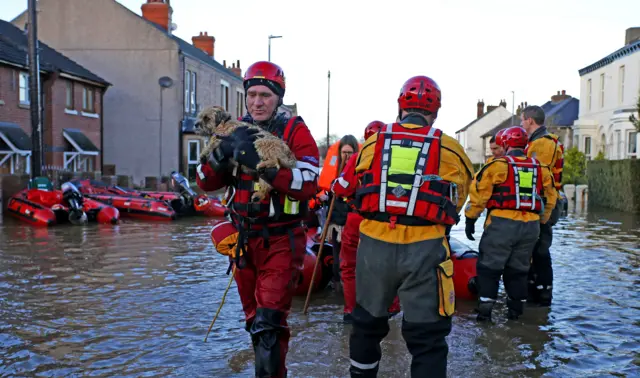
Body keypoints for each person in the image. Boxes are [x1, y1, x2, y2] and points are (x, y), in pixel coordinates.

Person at [196, 61, 320, 378]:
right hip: (243, 241)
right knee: (254, 321)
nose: (257, 102)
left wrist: (260, 164)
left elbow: (308, 183)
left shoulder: (295, 131)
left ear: (278, 97)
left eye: (265, 95)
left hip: (282, 240)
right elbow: (203, 181)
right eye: (252, 95)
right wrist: (218, 158)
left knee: (269, 322)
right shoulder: (233, 129)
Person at [348, 76, 474, 378]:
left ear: (400, 106)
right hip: (425, 248)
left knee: (366, 326)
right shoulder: (450, 147)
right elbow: (459, 197)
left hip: (374, 247)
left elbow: (354, 185)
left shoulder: (374, 142)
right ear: (436, 111)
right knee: (428, 339)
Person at [464, 126, 557, 321]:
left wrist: (470, 218)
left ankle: (485, 314)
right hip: (530, 226)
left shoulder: (497, 166)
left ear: (505, 144)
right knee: (518, 270)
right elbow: (550, 197)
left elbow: (479, 194)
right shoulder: (540, 168)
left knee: (489, 268)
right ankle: (515, 315)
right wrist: (542, 220)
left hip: (501, 224)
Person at [331, 121, 400, 324]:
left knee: (349, 267)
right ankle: (391, 306)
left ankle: (351, 310)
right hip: (389, 221)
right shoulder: (396, 157)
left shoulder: (360, 156)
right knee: (387, 267)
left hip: (358, 218)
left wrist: (334, 184)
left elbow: (343, 187)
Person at [520, 105, 564, 306]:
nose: (521, 124)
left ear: (530, 120)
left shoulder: (542, 143)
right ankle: (535, 292)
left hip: (544, 204)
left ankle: (542, 294)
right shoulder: (541, 141)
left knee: (540, 250)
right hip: (544, 202)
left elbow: (539, 177)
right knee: (536, 249)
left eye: (522, 120)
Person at [325, 135, 360, 290]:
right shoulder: (334, 171)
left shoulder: (359, 170)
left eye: (349, 153)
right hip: (336, 222)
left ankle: (352, 290)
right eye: (344, 152)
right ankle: (338, 288)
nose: (346, 156)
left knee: (351, 259)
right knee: (337, 258)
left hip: (352, 222)